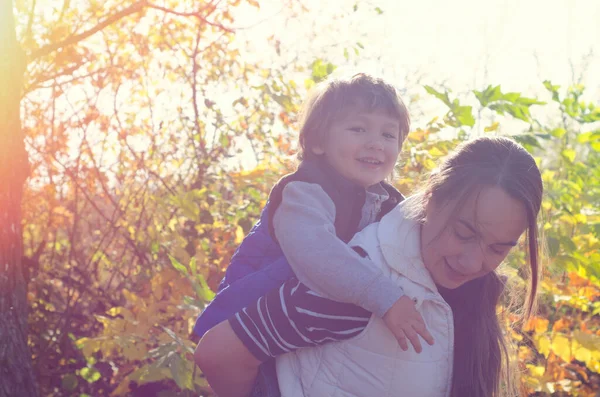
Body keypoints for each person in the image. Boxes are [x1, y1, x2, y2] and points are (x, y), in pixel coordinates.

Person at [197, 136, 543, 397]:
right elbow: (218, 354)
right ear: (433, 198)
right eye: (463, 232)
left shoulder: (469, 288)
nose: (473, 262)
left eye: (499, 248)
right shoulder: (355, 280)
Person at [193, 73, 434, 394]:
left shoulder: (386, 201)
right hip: (257, 320)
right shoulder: (304, 192)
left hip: (309, 333)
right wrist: (387, 299)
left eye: (389, 134)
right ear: (318, 141)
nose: (376, 142)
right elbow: (319, 256)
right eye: (358, 129)